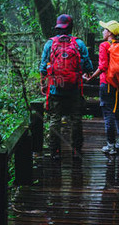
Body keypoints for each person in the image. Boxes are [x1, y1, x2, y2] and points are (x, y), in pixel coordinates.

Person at [40, 14, 94, 160]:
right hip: (74, 88)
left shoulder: (50, 43)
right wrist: (85, 72)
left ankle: (54, 152)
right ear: (71, 27)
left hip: (55, 88)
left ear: (58, 28)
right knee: (76, 119)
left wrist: (42, 84)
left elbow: (43, 67)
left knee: (55, 119)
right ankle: (76, 150)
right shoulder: (79, 44)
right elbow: (88, 65)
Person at [83, 19, 119, 154]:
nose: (103, 31)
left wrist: (91, 78)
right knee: (118, 113)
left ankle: (110, 145)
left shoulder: (104, 46)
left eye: (105, 29)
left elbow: (103, 67)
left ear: (109, 33)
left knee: (108, 115)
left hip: (108, 85)